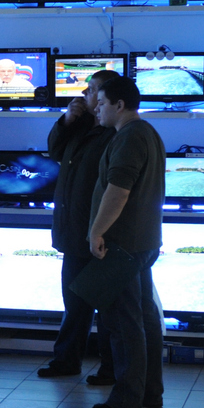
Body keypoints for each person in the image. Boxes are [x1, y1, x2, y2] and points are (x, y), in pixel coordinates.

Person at [82, 76, 165, 408]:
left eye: (101, 103)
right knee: (144, 318)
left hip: (123, 245)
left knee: (123, 323)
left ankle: (125, 401)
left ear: (119, 105)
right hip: (143, 242)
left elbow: (118, 191)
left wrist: (96, 231)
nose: (96, 109)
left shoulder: (129, 136)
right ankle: (149, 392)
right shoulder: (148, 133)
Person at [37, 70, 119, 382]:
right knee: (74, 303)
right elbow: (55, 152)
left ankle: (111, 368)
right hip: (73, 232)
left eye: (92, 89)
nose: (84, 94)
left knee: (108, 308)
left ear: (107, 96)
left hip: (100, 234)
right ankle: (66, 361)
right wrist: (66, 120)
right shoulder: (81, 125)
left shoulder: (116, 132)